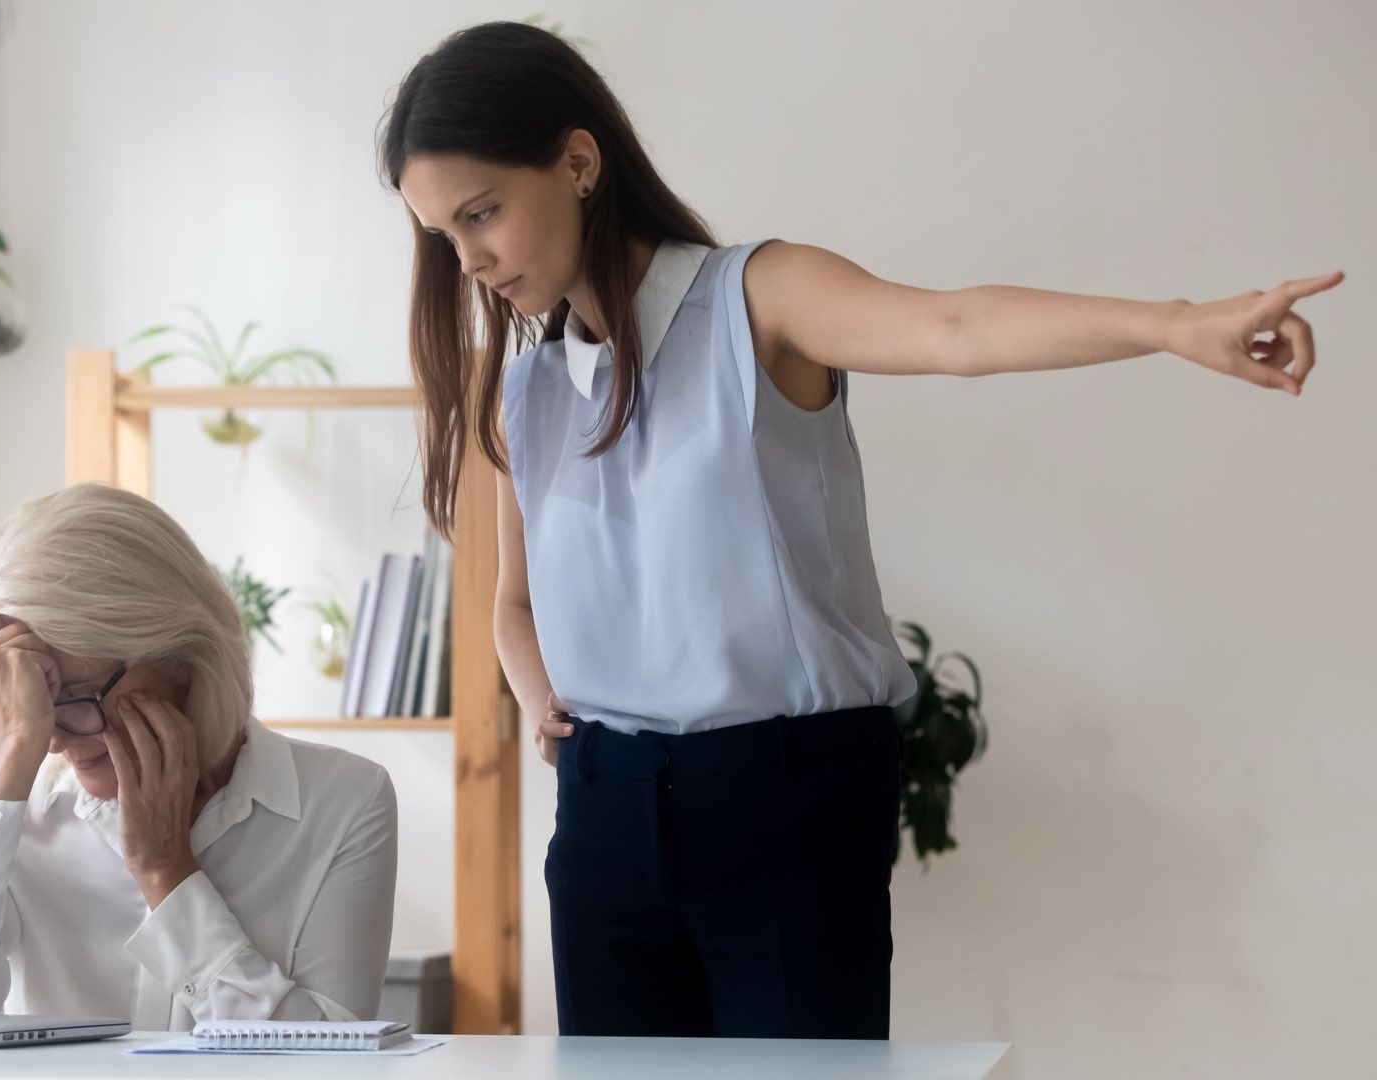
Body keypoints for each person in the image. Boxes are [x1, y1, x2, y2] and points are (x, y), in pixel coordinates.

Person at [380, 20, 1340, 1039]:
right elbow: (516, 602)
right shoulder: (522, 391)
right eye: (444, 235)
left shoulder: (757, 300)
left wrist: (1176, 324)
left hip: (785, 800)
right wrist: (544, 707)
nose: (470, 259)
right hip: (605, 813)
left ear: (577, 162)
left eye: (482, 212)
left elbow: (954, 329)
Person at [0, 483, 398, 1028]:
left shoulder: (344, 802)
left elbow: (334, 1060)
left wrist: (166, 873)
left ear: (180, 655)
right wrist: (10, 754)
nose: (51, 739)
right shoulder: (18, 811)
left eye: (76, 699)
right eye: (32, 701)